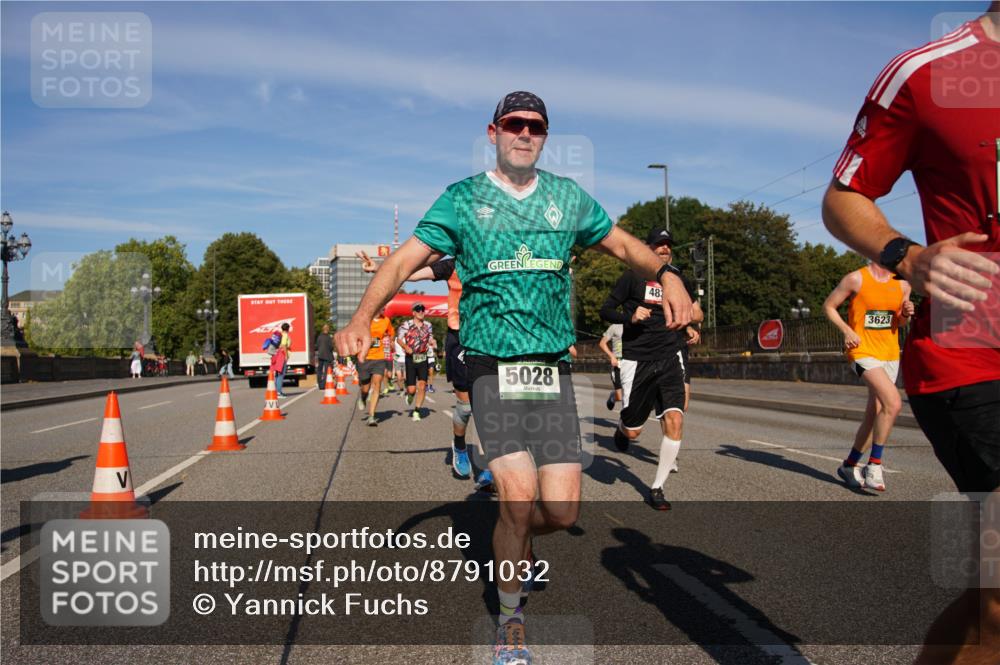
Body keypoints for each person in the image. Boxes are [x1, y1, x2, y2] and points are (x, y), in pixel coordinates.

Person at [335, 90, 692, 665]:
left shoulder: (566, 198)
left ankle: (513, 537)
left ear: (544, 137)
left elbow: (624, 244)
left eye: (536, 126)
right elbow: (403, 262)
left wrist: (669, 273)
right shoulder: (462, 200)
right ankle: (510, 619)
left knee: (562, 511)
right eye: (514, 124)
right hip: (491, 366)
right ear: (494, 132)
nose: (525, 133)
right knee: (518, 495)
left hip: (550, 370)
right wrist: (361, 315)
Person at [821, 6, 999, 662]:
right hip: (971, 347)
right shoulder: (927, 75)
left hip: (893, 341)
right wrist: (911, 257)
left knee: (992, 589)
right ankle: (867, 461)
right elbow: (843, 196)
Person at [600, 228, 702, 510]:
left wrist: (691, 324)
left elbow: (691, 309)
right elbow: (605, 311)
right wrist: (630, 317)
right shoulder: (632, 276)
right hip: (637, 357)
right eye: (659, 245)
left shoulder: (678, 279)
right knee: (634, 431)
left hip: (670, 353)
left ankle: (657, 487)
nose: (664, 250)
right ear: (647, 248)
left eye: (668, 246)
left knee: (675, 418)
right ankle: (622, 429)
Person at [823, 263, 913, 490]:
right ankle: (874, 465)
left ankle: (849, 464)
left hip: (890, 354)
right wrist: (847, 330)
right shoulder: (856, 279)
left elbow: (900, 322)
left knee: (875, 411)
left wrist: (906, 314)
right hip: (861, 350)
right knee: (892, 403)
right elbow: (829, 306)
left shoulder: (903, 283)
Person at [396, 302, 435, 421]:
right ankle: (410, 395)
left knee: (422, 385)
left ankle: (417, 411)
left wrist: (432, 342)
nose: (421, 312)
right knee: (412, 389)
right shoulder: (406, 325)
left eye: (423, 309)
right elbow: (398, 339)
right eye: (418, 310)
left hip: (423, 357)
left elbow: (430, 337)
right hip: (411, 358)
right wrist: (405, 347)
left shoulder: (428, 325)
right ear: (413, 312)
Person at [358, 308, 394, 426]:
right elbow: (358, 336)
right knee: (365, 387)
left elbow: (391, 334)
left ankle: (371, 416)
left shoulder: (386, 321)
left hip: (379, 358)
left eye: (383, 307)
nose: (381, 309)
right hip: (365, 357)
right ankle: (363, 397)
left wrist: (388, 341)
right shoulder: (365, 320)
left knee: (377, 385)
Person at [599, 323, 624, 411]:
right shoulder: (615, 327)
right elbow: (602, 343)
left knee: (630, 395)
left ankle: (625, 421)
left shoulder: (636, 325)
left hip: (631, 363)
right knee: (620, 396)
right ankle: (613, 397)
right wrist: (612, 356)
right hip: (618, 363)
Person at [315, 324, 335, 390]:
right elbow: (331, 347)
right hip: (327, 356)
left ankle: (319, 383)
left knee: (319, 370)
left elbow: (317, 346)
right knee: (326, 371)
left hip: (320, 355)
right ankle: (323, 385)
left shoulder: (319, 337)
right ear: (328, 329)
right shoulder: (329, 338)